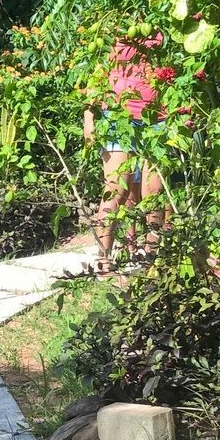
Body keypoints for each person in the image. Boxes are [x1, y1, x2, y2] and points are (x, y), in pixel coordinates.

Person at [85, 37, 167, 273]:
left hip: (157, 119)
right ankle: (103, 259)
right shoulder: (118, 26)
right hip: (118, 117)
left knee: (154, 190)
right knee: (116, 189)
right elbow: (97, 73)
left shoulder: (166, 20)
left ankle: (151, 259)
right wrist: (89, 119)